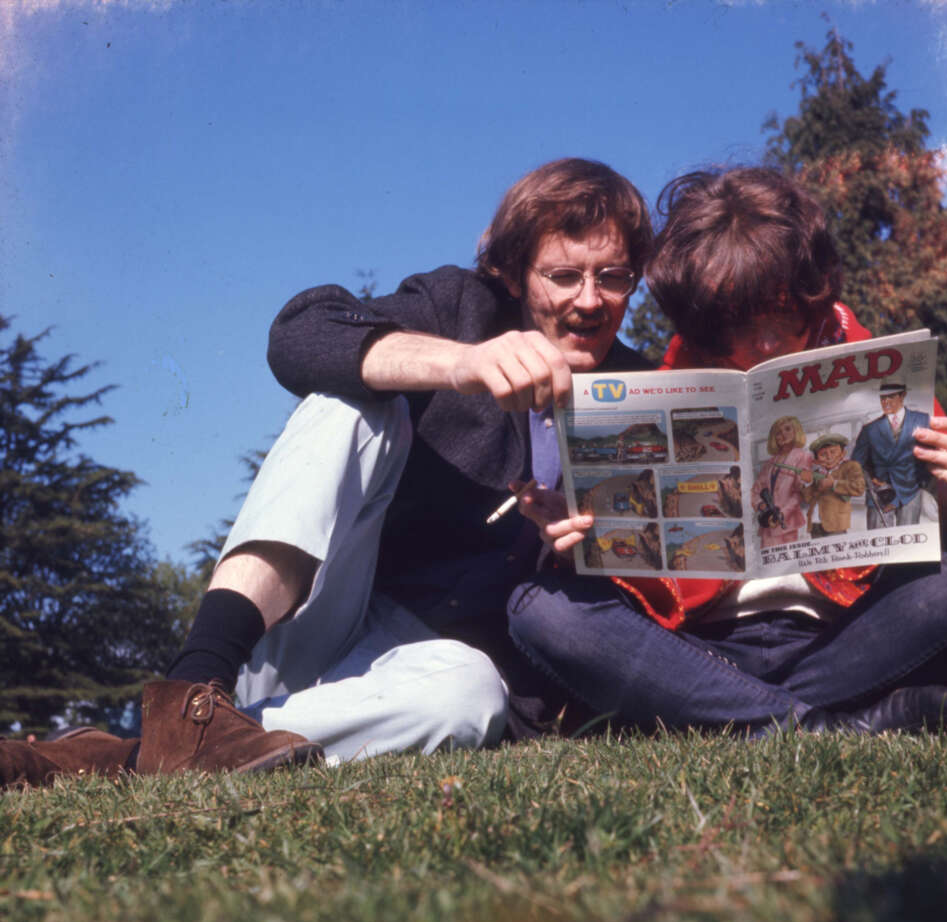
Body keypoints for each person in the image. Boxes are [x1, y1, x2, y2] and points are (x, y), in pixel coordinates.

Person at [0, 157, 657, 789]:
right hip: (322, 610)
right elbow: (300, 332)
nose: (590, 300)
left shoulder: (649, 394)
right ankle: (195, 689)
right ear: (513, 276)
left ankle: (142, 755)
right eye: (563, 276)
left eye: (614, 278)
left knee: (468, 699)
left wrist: (573, 559)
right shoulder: (460, 308)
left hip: (418, 669)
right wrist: (461, 364)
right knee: (350, 403)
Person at [507, 166, 947, 737]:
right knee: (540, 608)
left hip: (846, 638)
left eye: (785, 316)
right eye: (737, 327)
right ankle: (828, 725)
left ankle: (728, 717)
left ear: (813, 294)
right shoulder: (662, 388)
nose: (767, 344)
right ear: (700, 319)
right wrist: (580, 542)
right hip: (698, 651)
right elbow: (637, 582)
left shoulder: (875, 367)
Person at [851, 383, 932, 528]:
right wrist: (872, 482)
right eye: (882, 398)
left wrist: (921, 482)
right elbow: (856, 464)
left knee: (910, 542)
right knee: (879, 544)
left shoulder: (922, 420)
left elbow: (931, 455)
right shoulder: (869, 430)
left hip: (910, 491)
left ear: (902, 395)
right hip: (880, 494)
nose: (885, 401)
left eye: (891, 396)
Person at [753, 415, 814, 547]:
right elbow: (756, 490)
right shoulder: (769, 463)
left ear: (796, 431)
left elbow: (799, 492)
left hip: (787, 523)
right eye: (778, 433)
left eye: (787, 429)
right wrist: (762, 507)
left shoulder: (803, 456)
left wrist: (782, 514)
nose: (783, 434)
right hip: (767, 525)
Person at [802, 433, 865, 538]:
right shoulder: (817, 472)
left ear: (843, 453)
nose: (829, 457)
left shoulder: (850, 466)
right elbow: (807, 498)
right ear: (816, 460)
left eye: (833, 452)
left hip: (836, 523)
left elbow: (859, 487)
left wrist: (834, 484)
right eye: (823, 454)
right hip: (815, 523)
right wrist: (807, 482)